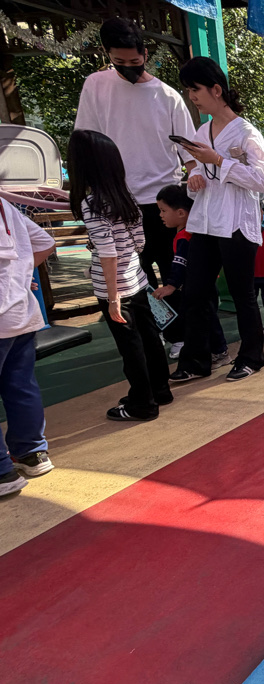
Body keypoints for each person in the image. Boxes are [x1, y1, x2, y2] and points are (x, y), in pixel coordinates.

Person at [75, 18, 196, 301]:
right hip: (118, 201)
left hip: (162, 202)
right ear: (107, 53)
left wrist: (194, 191)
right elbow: (84, 143)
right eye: (119, 61)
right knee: (132, 279)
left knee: (174, 272)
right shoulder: (96, 85)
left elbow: (190, 153)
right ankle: (148, 325)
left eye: (135, 61)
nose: (128, 67)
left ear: (145, 54)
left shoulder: (167, 96)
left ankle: (180, 327)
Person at [173, 56, 264, 383]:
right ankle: (196, 361)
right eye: (188, 91)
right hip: (205, 222)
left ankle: (251, 356)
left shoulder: (246, 132)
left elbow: (261, 181)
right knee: (195, 292)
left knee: (243, 294)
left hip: (236, 223)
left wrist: (218, 161)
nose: (192, 97)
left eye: (195, 89)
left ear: (216, 90)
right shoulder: (202, 131)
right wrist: (194, 176)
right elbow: (199, 171)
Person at [68, 130, 171, 421]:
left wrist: (113, 298)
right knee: (149, 337)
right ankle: (159, 390)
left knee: (130, 346)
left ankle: (142, 403)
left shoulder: (92, 205)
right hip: (138, 280)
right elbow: (139, 243)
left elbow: (108, 254)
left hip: (114, 289)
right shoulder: (127, 199)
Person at [0, 195, 56, 495]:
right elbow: (46, 242)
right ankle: (31, 452)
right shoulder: (6, 205)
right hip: (21, 312)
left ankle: (2, 472)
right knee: (20, 384)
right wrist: (20, 274)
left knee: (20, 384)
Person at [152, 184, 230, 370]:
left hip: (197, 286)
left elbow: (180, 262)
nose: (160, 215)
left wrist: (171, 285)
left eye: (163, 210)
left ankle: (220, 352)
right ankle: (214, 351)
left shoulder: (185, 236)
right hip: (202, 284)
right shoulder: (192, 233)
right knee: (206, 317)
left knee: (206, 317)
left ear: (181, 213)